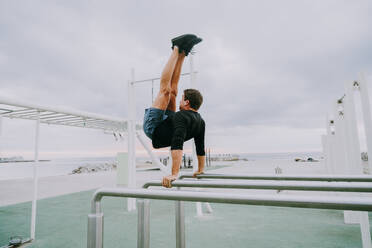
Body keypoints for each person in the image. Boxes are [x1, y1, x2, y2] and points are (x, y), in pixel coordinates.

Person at [143, 34, 205, 188]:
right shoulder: (200, 120)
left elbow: (177, 145)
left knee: (165, 90)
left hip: (154, 127)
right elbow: (200, 147)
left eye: (182, 99)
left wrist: (174, 173)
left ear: (187, 102)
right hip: (166, 125)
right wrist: (201, 169)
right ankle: (183, 52)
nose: (179, 100)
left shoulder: (182, 118)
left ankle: (175, 47)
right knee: (173, 90)